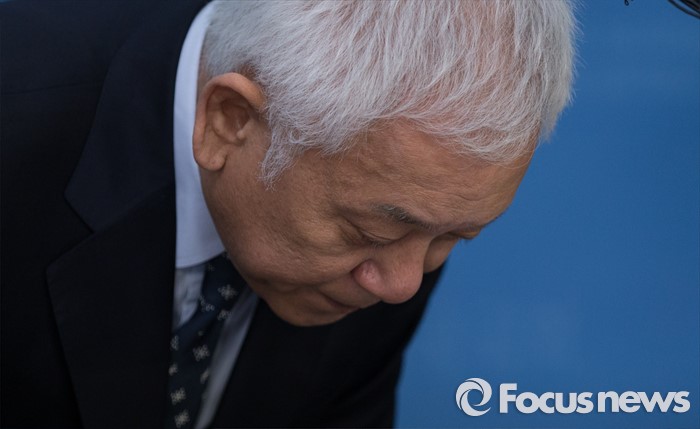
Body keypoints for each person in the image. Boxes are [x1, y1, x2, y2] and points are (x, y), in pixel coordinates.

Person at [0, 0, 575, 427]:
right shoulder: (20, 124)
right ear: (230, 121)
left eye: (455, 238)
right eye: (371, 231)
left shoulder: (411, 223)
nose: (401, 285)